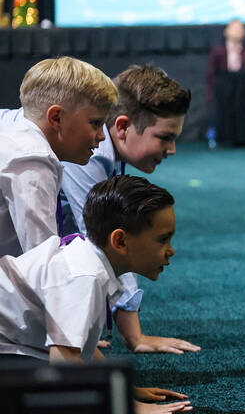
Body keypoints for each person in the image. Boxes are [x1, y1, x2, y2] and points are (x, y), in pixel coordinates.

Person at [0, 174, 192, 413]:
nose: (171, 251)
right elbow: (64, 361)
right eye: (163, 240)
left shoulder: (90, 262)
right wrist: (130, 407)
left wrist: (122, 387)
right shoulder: (85, 276)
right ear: (120, 241)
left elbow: (82, 346)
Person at [59, 65, 200, 355]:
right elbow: (104, 244)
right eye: (164, 137)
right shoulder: (91, 154)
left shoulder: (105, 152)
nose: (171, 149)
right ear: (122, 127)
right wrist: (135, 336)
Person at [0, 57, 116, 258]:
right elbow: (43, 266)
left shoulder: (21, 143)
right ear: (56, 118)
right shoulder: (33, 160)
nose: (102, 136)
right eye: (95, 123)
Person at [206, 18, 245, 104]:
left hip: (241, 92)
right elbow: (211, 76)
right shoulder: (218, 52)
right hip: (221, 91)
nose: (236, 31)